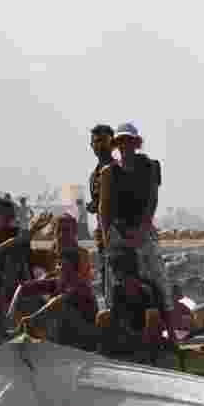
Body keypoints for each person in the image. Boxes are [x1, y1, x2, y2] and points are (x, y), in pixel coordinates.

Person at [97, 122, 175, 344]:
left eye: (129, 142)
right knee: (116, 283)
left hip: (143, 228)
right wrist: (108, 241)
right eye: (121, 142)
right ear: (116, 145)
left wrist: (141, 231)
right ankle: (116, 335)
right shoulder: (109, 172)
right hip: (118, 232)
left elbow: (152, 201)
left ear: (136, 144)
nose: (125, 146)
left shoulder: (150, 166)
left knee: (158, 277)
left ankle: (170, 334)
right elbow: (104, 210)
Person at [15, 247, 101, 351]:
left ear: (72, 267)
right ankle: (23, 330)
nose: (57, 268)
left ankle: (31, 328)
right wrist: (11, 313)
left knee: (59, 304)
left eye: (61, 264)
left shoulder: (81, 284)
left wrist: (32, 318)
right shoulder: (58, 282)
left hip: (85, 338)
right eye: (58, 264)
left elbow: (59, 301)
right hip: (66, 332)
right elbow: (23, 287)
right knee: (32, 299)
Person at [88, 123, 115, 298]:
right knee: (106, 276)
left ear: (112, 143)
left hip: (121, 233)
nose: (99, 146)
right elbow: (99, 202)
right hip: (103, 235)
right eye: (95, 142)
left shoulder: (119, 169)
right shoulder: (94, 175)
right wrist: (94, 205)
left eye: (103, 141)